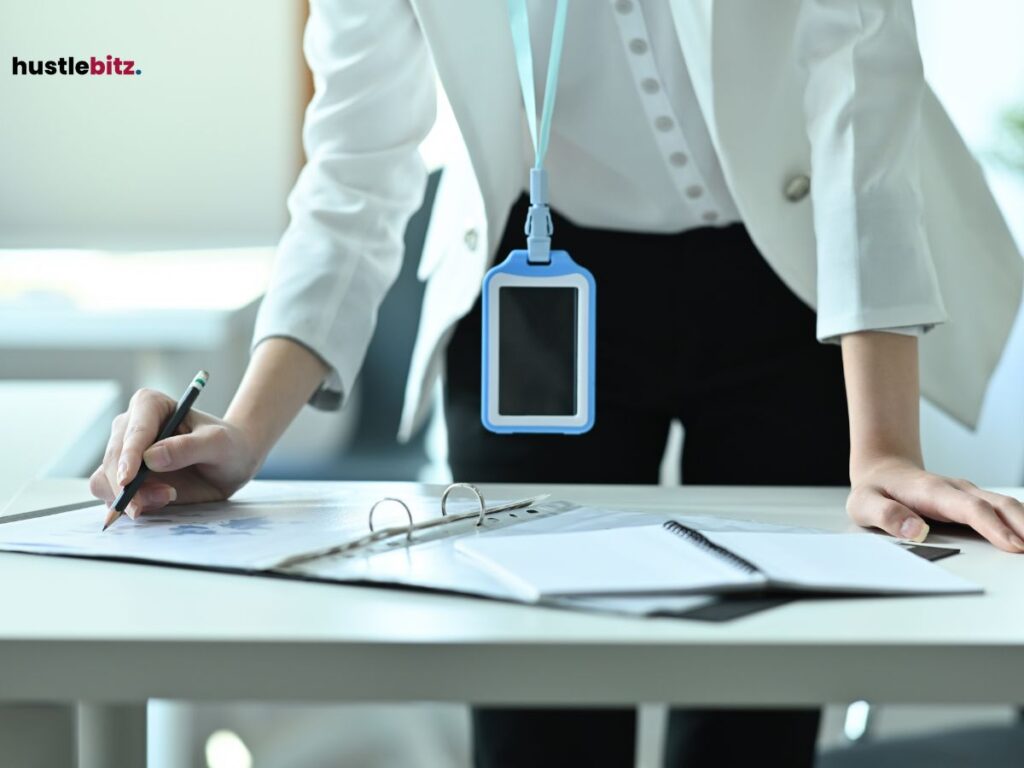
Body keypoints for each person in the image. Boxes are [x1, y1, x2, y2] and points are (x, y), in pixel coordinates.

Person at [90, 0, 1024, 765]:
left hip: (791, 278)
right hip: (533, 294)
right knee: (538, 716)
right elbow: (355, 168)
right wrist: (247, 429)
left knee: (756, 715)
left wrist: (885, 448)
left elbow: (861, 91)